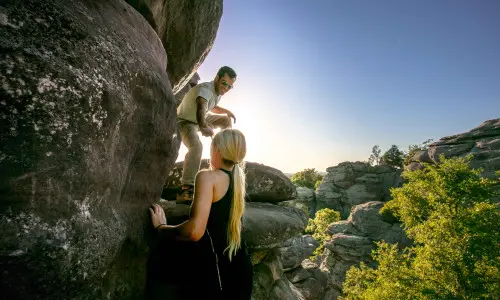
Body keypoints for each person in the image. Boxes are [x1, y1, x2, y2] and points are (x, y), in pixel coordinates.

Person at [149, 129, 253, 299]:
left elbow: (194, 231)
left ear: (217, 151)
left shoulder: (207, 177)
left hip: (217, 277)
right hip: (241, 272)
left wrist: (161, 228)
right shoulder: (237, 180)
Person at [176, 66, 237, 202]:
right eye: (224, 83)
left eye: (229, 87)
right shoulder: (206, 89)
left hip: (201, 117)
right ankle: (186, 190)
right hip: (186, 121)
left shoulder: (217, 92)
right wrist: (203, 126)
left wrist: (226, 111)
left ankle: (224, 154)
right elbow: (201, 106)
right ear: (217, 78)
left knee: (226, 121)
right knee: (196, 147)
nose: (226, 88)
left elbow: (212, 106)